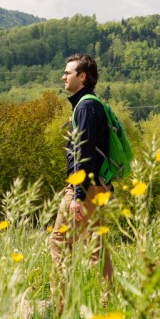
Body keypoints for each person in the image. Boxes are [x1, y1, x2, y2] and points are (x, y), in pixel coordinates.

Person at [49, 54, 114, 290]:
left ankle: (61, 311)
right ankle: (107, 302)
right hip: (98, 185)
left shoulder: (86, 107)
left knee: (58, 241)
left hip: (85, 187)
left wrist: (77, 195)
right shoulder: (89, 105)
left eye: (68, 72)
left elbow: (84, 155)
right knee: (96, 244)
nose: (63, 76)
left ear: (82, 76)